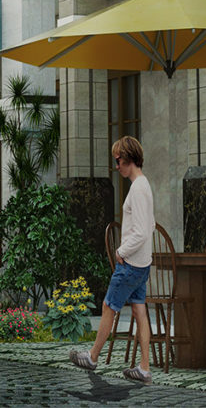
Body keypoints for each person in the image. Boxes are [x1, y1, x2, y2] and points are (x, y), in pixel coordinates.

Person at [70, 135, 155, 385]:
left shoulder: (138, 189)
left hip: (131, 264)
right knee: (140, 312)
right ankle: (145, 368)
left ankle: (92, 357)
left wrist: (121, 251)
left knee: (109, 306)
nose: (116, 166)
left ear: (128, 159)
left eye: (118, 160)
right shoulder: (144, 185)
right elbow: (150, 225)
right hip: (142, 264)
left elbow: (141, 231)